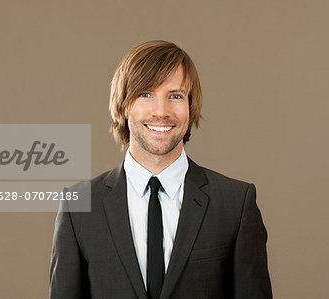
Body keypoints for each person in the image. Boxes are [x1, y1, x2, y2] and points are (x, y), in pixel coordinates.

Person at [49, 40, 272, 299]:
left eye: (175, 96)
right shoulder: (79, 206)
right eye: (146, 94)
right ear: (123, 105)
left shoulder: (235, 203)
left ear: (191, 106)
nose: (161, 111)